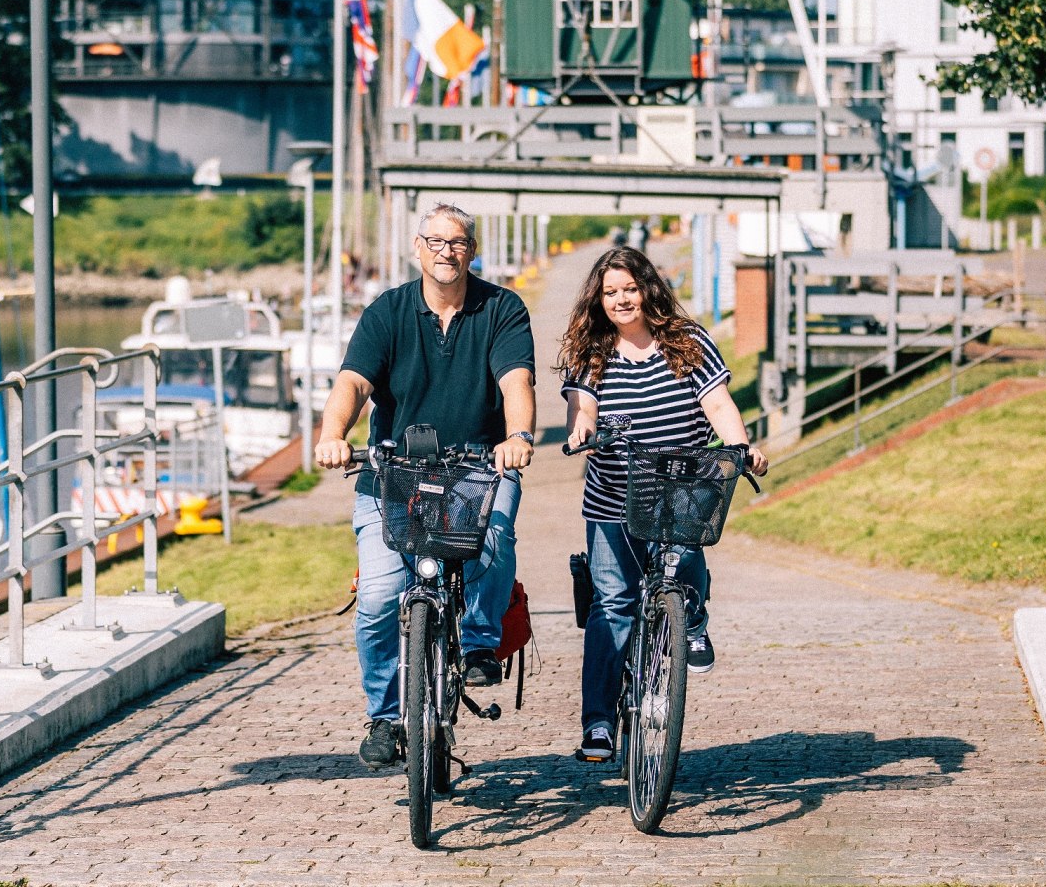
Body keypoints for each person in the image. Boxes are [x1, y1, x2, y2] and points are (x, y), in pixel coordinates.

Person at [315, 203, 537, 768]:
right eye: (435, 241)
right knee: (379, 596)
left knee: (495, 535)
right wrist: (332, 433)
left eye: (458, 241)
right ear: (417, 248)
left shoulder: (502, 309)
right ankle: (385, 718)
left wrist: (518, 435)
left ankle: (483, 644)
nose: (446, 251)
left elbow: (516, 380)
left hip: (479, 468)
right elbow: (353, 382)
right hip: (393, 475)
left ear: (472, 249)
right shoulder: (387, 312)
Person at [556, 246, 768, 763]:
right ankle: (600, 724)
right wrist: (582, 428)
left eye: (629, 289)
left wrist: (740, 447)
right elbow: (581, 405)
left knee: (687, 557)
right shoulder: (591, 349)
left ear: (647, 288)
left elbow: (716, 404)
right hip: (612, 496)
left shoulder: (688, 343)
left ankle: (691, 617)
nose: (621, 300)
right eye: (610, 293)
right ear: (598, 300)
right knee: (613, 606)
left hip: (679, 487)